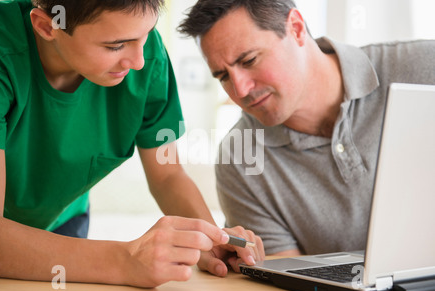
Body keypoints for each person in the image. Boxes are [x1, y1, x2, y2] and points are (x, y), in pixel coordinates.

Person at [0, 0, 265, 289]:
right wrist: (125, 259)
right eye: (116, 46)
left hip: (61, 224)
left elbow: (168, 175)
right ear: (47, 26)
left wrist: (209, 239)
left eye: (146, 35)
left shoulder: (146, 54)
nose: (139, 61)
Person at [178, 0, 435, 256]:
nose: (240, 90)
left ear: (297, 29)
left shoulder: (424, 67)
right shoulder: (240, 158)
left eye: (249, 60)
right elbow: (287, 282)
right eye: (223, 76)